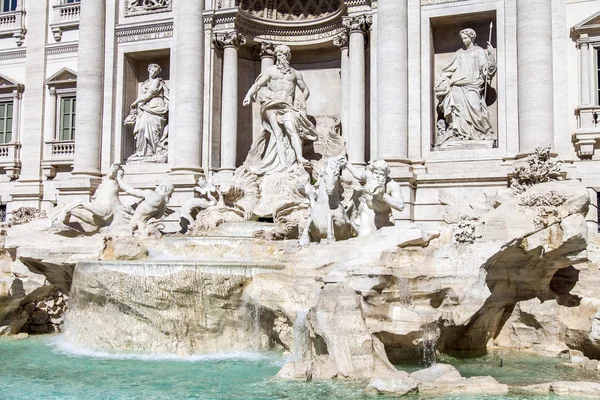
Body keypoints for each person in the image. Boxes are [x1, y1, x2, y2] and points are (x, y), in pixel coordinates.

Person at [242, 44, 317, 175]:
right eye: (279, 54)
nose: (281, 57)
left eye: (283, 54)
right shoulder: (270, 71)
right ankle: (282, 165)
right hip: (272, 105)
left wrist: (301, 99)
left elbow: (306, 90)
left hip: (288, 107)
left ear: (288, 55)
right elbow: (258, 84)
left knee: (292, 129)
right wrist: (248, 95)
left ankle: (299, 158)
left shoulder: (295, 73)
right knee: (278, 134)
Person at [434, 28, 496, 146]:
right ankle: (460, 134)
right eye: (462, 38)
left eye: (466, 38)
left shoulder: (479, 51)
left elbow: (487, 70)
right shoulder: (459, 53)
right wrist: (442, 81)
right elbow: (449, 70)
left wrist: (491, 55)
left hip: (473, 85)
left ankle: (482, 133)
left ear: (472, 37)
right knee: (458, 112)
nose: (464, 40)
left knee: (476, 109)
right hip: (457, 86)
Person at [342, 159, 405, 236]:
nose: (377, 176)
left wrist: (383, 196)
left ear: (385, 176)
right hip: (367, 214)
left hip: (384, 218)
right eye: (376, 173)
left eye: (381, 174)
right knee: (364, 238)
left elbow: (400, 206)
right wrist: (347, 164)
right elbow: (358, 174)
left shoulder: (392, 185)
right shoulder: (369, 176)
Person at [53, 163, 124, 229]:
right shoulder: (106, 184)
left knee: (81, 204)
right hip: (103, 220)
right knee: (73, 211)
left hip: (110, 217)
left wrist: (81, 203)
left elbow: (105, 213)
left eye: (111, 170)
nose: (107, 173)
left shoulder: (113, 183)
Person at [125, 63, 169, 162]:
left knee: (153, 130)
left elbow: (149, 94)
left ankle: (151, 151)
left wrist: (136, 102)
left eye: (156, 71)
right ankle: (141, 151)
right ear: (148, 70)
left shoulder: (157, 81)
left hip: (156, 106)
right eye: (152, 70)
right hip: (145, 107)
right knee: (141, 127)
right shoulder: (145, 83)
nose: (153, 73)